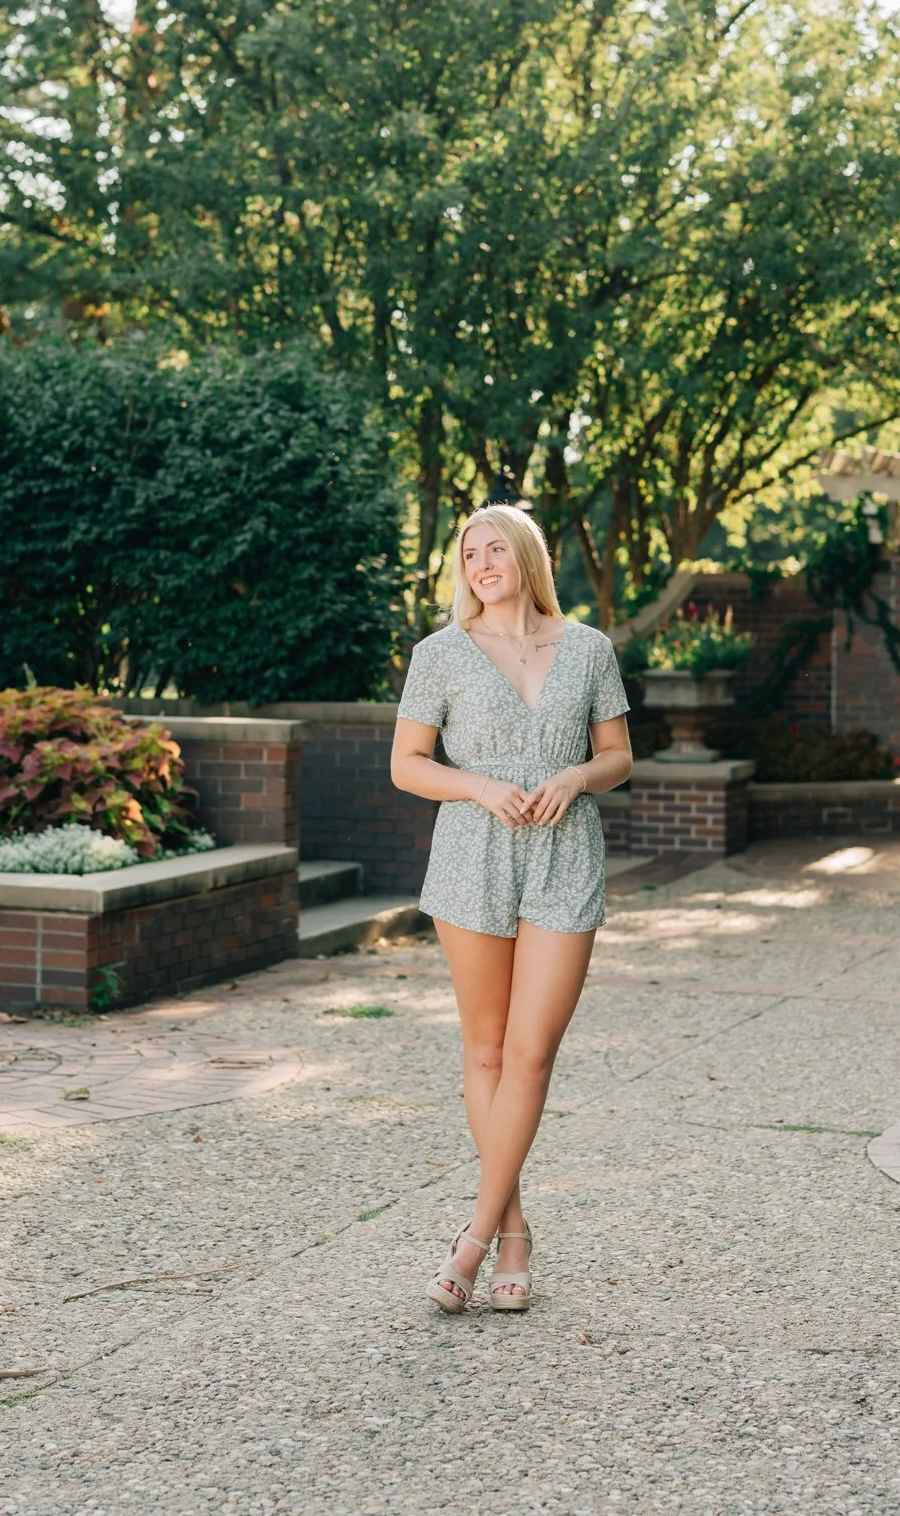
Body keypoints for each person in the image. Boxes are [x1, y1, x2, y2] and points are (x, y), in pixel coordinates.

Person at [390, 504, 632, 1313]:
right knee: (487, 1052)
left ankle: (470, 1240)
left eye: (496, 549)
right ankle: (513, 1231)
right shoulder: (439, 653)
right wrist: (480, 786)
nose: (483, 563)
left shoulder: (588, 648)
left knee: (531, 1056)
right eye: (470, 553)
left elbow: (618, 755)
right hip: (472, 854)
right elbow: (407, 765)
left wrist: (575, 776)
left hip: (566, 855)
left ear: (527, 557)